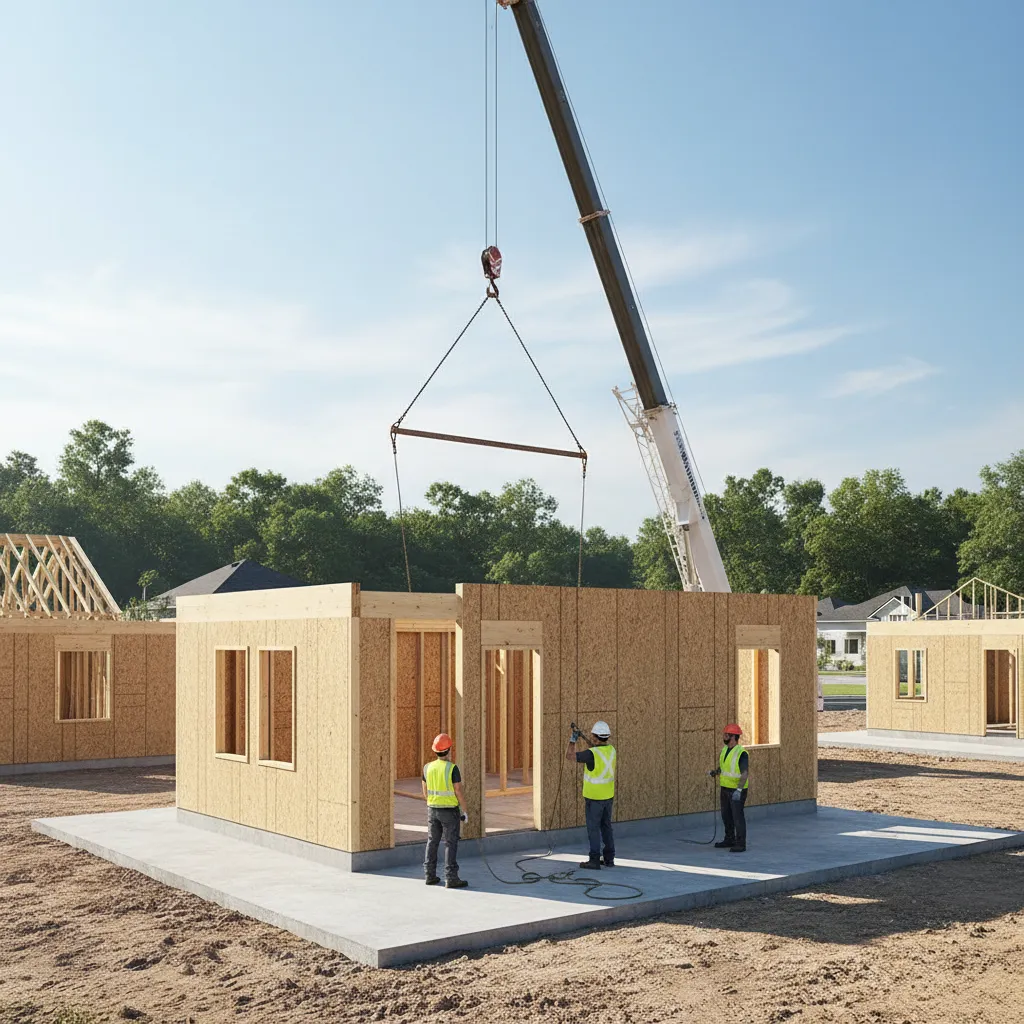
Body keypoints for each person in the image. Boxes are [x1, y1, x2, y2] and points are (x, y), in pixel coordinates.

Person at [565, 719, 615, 869]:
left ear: (594, 737)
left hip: (594, 799)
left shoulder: (591, 754)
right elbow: (596, 751)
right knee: (606, 827)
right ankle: (609, 858)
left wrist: (573, 740)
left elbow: (570, 756)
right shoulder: (611, 750)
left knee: (593, 829)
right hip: (608, 797)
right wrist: (587, 740)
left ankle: (594, 859)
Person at [422, 733, 469, 888]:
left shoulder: (427, 767)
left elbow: (425, 791)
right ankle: (451, 878)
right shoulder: (452, 768)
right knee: (450, 843)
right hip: (449, 811)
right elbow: (458, 791)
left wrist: (432, 803)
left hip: (432, 809)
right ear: (449, 750)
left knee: (432, 841)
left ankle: (429, 875)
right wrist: (464, 811)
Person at [709, 723, 749, 853]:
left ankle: (740, 843)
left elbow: (744, 774)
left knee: (737, 817)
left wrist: (739, 790)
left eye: (726, 735)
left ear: (733, 737)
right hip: (725, 788)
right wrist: (716, 772)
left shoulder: (741, 753)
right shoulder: (725, 750)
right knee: (726, 816)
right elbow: (724, 767)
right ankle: (729, 839)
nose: (724, 737)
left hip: (736, 790)